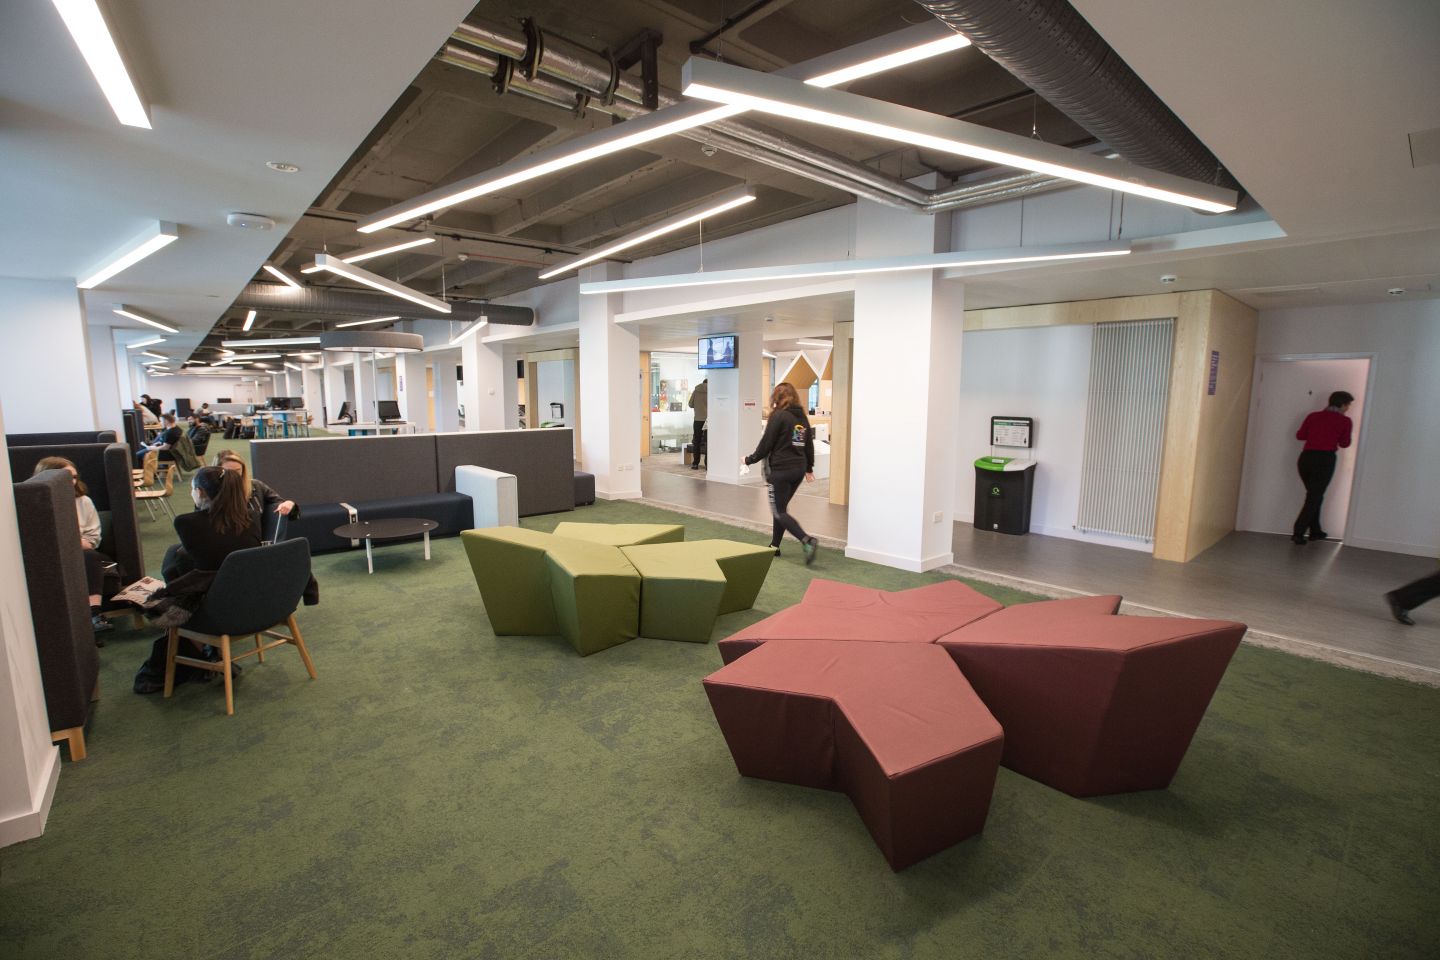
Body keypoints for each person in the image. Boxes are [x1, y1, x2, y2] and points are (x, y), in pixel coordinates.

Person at [32, 456, 117, 636]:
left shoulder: (83, 502)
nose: (71, 482)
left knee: (90, 557)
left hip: (84, 555)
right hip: (51, 558)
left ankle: (95, 614)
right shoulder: (34, 505)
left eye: (74, 477)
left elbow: (93, 541)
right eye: (66, 477)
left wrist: (71, 541)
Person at [744, 382, 819, 565]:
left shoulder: (778, 416)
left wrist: (749, 459)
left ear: (776, 397)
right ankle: (774, 546)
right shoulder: (801, 417)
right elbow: (807, 444)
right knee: (781, 509)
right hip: (798, 470)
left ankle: (806, 540)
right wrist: (809, 468)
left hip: (781, 470)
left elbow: (766, 443)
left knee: (778, 511)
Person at [161, 466, 261, 581]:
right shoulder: (251, 516)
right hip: (248, 581)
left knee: (173, 553)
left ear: (199, 492)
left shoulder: (185, 522)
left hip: (210, 588)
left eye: (192, 489)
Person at [1291, 390, 1354, 545]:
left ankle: (1315, 531)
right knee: (1314, 497)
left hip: (1305, 458)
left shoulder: (1313, 416)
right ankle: (1298, 532)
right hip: (1325, 460)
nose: (1348, 408)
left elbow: (1300, 436)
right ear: (1343, 404)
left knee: (1315, 495)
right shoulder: (1345, 421)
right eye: (1348, 405)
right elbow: (1345, 443)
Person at [211, 449, 298, 540]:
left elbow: (288, 511)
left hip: (256, 541)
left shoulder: (256, 486)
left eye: (238, 471)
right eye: (229, 472)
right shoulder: (210, 490)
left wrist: (289, 504)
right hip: (226, 541)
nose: (235, 476)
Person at [688, 378, 708, 470]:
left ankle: (695, 463)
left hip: (698, 420)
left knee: (697, 442)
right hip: (709, 420)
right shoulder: (712, 391)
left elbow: (690, 404)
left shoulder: (696, 391)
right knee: (709, 442)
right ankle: (708, 464)